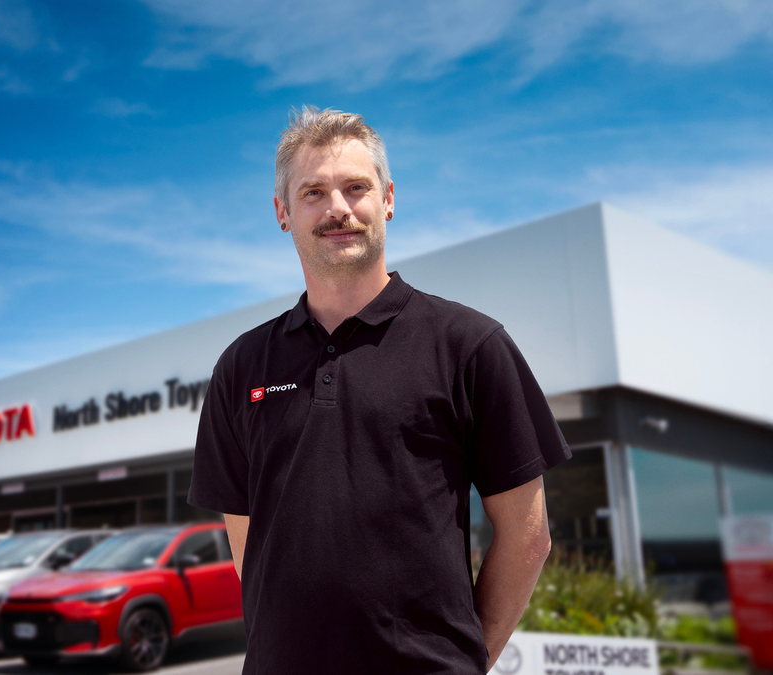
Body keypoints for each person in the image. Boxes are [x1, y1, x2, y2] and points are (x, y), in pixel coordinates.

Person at [188, 106, 570, 674]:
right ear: (282, 212)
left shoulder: (470, 345)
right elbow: (251, 547)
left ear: (388, 199)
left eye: (356, 187)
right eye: (313, 192)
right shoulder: (240, 367)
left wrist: (464, 663)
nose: (337, 208)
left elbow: (528, 536)